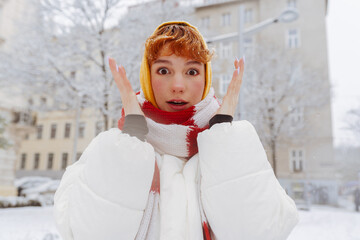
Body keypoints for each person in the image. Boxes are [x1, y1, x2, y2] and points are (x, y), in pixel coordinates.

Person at [54, 21, 299, 240]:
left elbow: (259, 233)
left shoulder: (234, 149)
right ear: (147, 76)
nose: (178, 86)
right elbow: (85, 233)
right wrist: (130, 143)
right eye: (163, 70)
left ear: (206, 78)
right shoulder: (108, 150)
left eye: (192, 71)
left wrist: (223, 137)